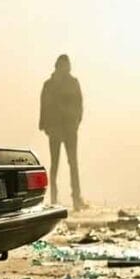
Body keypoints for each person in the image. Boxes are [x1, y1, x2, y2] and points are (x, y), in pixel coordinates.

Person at [39, 54, 86, 210]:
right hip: (58, 128)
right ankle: (56, 199)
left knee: (70, 163)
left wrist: (75, 122)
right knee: (57, 164)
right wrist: (45, 125)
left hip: (67, 128)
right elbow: (44, 106)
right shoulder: (52, 85)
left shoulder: (69, 83)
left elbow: (79, 105)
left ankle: (75, 199)